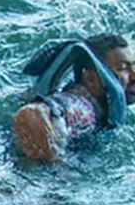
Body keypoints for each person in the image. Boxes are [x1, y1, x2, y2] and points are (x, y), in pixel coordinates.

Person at [11, 33, 134, 162]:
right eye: (122, 68)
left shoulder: (99, 110)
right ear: (91, 78)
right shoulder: (83, 106)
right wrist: (55, 168)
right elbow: (31, 115)